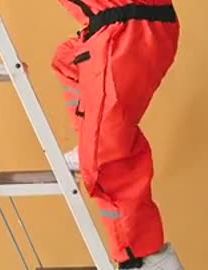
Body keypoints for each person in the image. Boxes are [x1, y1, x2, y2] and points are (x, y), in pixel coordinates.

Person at [51, 0, 184, 269]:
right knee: (69, 61)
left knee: (107, 155)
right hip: (121, 28)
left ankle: (144, 258)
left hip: (125, 31)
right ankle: (89, 143)